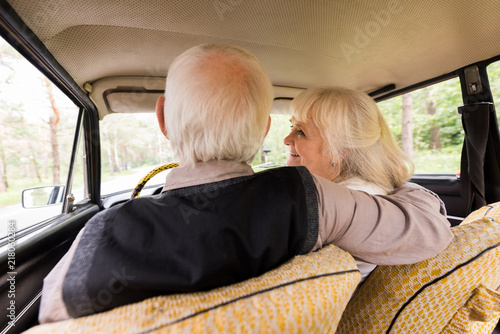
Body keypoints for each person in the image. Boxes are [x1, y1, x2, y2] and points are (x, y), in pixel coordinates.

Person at [38, 44, 453, 323]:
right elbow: (427, 229)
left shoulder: (104, 234)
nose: (290, 140)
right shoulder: (311, 202)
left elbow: (50, 316)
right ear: (263, 131)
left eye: (302, 132)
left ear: (162, 120)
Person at [284, 86, 416, 280]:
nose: (287, 139)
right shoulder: (360, 191)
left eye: (301, 132)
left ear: (339, 150)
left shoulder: (337, 206)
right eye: (292, 128)